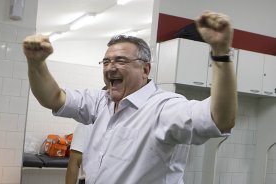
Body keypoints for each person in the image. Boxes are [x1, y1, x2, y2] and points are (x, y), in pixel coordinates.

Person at [23, 10, 237, 184]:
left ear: (145, 70)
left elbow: (220, 119)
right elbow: (53, 98)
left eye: (121, 61)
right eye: (106, 62)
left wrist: (220, 54)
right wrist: (36, 64)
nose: (110, 68)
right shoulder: (101, 101)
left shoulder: (163, 109)